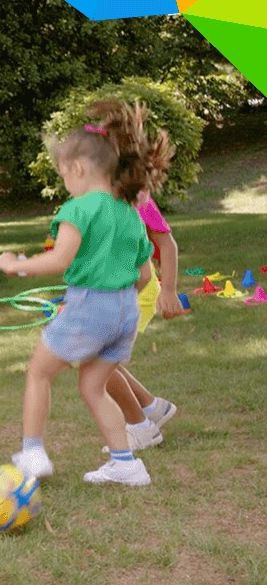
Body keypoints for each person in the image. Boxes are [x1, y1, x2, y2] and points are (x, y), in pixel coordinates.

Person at [0, 99, 170, 486]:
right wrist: (115, 299)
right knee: (93, 387)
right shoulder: (129, 212)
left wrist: (15, 265)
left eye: (64, 175)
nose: (66, 183)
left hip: (92, 305)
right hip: (125, 312)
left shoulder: (78, 209)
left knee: (39, 373)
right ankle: (126, 464)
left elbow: (60, 259)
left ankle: (33, 452)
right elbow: (145, 275)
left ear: (76, 168)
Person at [105, 190, 184, 450]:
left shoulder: (137, 197)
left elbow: (167, 244)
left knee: (97, 360)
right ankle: (152, 408)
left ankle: (140, 427)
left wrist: (169, 290)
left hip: (137, 291)